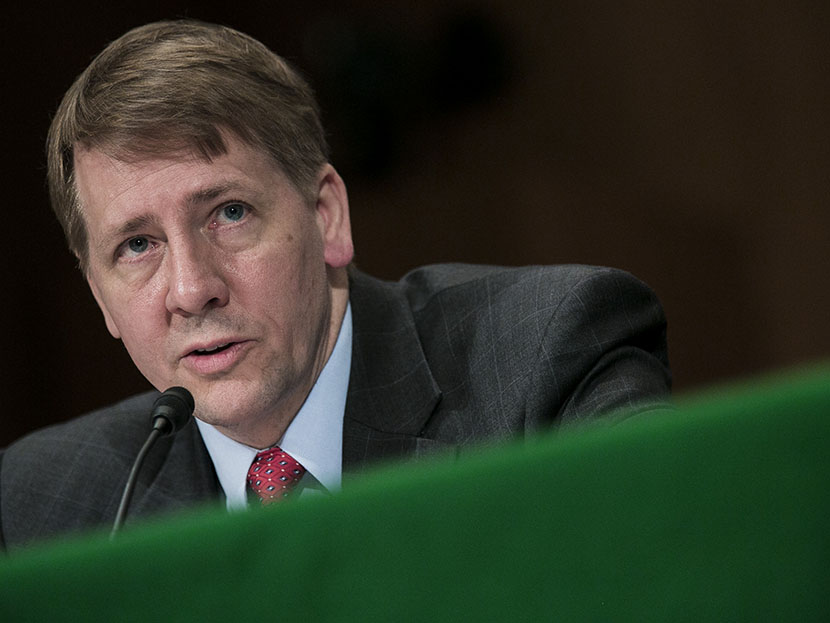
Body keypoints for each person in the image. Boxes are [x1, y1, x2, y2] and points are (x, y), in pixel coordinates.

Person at [0, 20, 671, 551]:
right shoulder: (38, 504)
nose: (191, 288)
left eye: (229, 213)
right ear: (99, 295)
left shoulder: (547, 358)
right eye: (138, 245)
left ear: (327, 216)